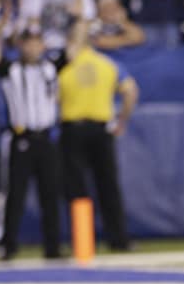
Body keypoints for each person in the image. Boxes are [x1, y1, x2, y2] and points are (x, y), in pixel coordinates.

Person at [0, 0, 62, 260]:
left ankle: (53, 248)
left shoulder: (51, 67)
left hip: (46, 138)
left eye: (36, 41)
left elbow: (76, 44)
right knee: (15, 196)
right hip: (21, 138)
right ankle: (8, 246)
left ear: (42, 44)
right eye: (27, 41)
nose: (32, 46)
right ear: (20, 44)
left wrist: (82, 16)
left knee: (51, 195)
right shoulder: (11, 70)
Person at [57, 15, 138, 253]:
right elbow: (131, 92)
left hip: (74, 128)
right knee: (107, 186)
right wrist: (121, 120)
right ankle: (118, 239)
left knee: (77, 187)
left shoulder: (67, 62)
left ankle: (82, 241)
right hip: (100, 128)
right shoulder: (108, 64)